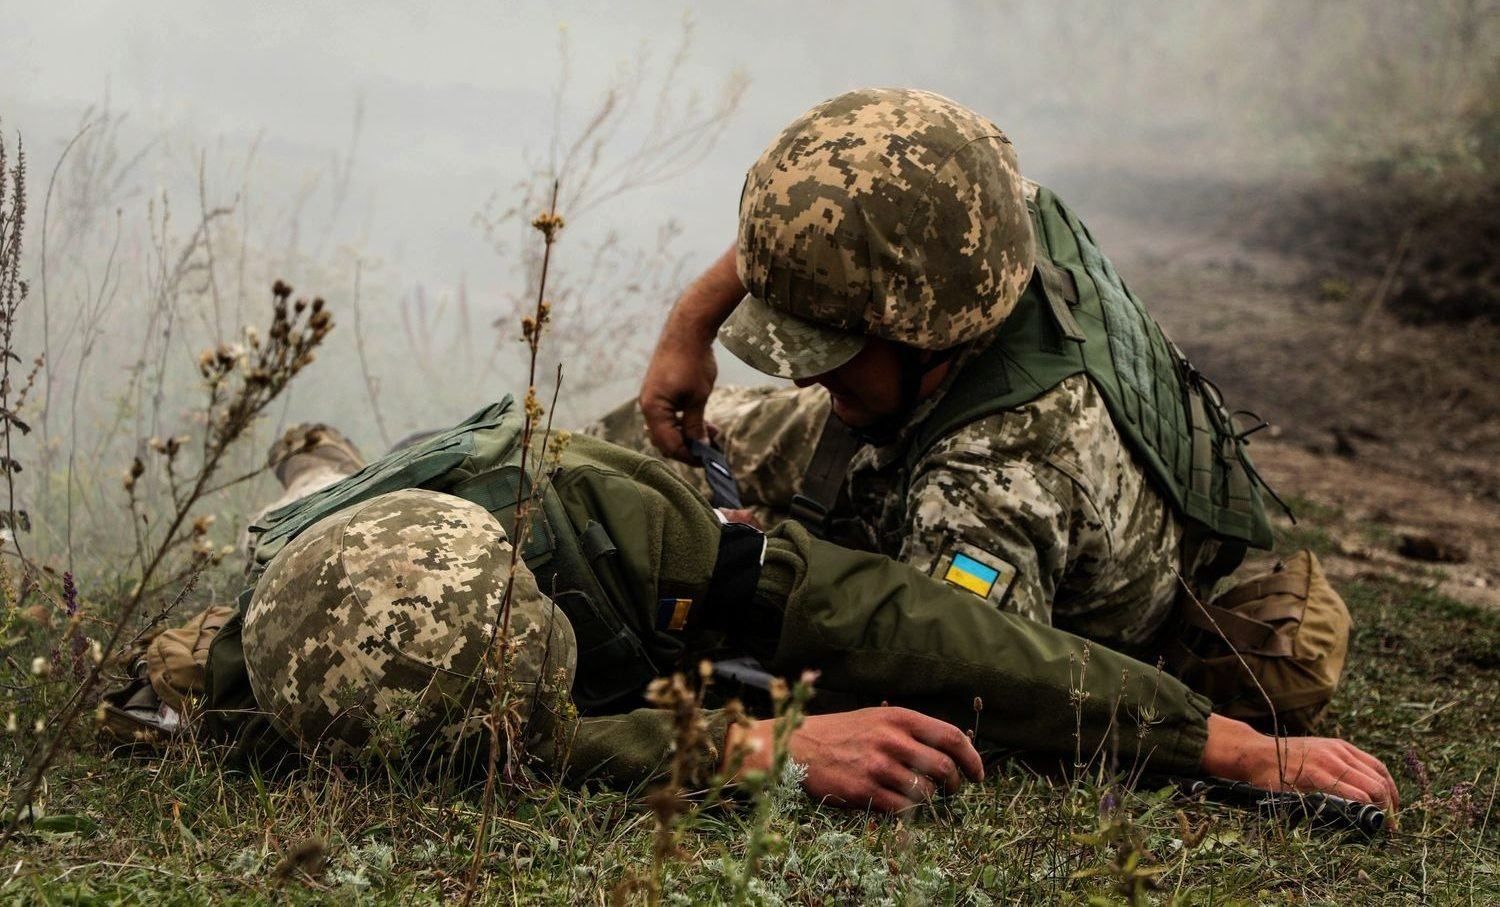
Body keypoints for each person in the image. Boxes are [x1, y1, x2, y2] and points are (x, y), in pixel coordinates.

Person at [199, 404, 1396, 815]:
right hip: (327, 552)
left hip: (538, 495)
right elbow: (536, 746)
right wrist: (748, 747)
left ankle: (327, 454)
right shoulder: (247, 674)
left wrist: (1214, 740)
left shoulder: (623, 526)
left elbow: (902, 620)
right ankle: (318, 463)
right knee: (305, 497)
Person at [603, 87, 1345, 732]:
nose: (802, 378)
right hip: (921, 409)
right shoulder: (976, 221)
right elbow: (825, 225)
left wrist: (752, 574)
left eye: (830, 348)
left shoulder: (996, 481)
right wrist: (690, 329)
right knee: (631, 451)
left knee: (667, 548)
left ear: (924, 327)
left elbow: (942, 689)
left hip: (1012, 537)